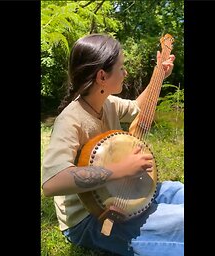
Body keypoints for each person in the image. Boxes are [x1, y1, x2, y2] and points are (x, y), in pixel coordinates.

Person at [41, 33, 184, 256]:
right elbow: (51, 183)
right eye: (121, 68)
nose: (125, 73)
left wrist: (158, 75)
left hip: (123, 194)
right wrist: (119, 170)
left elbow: (138, 107)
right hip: (91, 218)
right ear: (101, 76)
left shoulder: (108, 103)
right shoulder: (70, 120)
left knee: (179, 191)